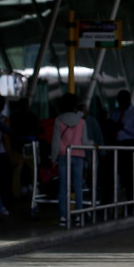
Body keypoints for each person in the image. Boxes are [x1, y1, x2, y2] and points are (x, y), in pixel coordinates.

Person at [52, 93, 88, 227]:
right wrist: (93, 144)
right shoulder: (82, 122)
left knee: (63, 187)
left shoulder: (58, 120)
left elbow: (56, 142)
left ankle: (63, 216)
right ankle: (78, 216)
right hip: (78, 156)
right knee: (78, 186)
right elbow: (84, 141)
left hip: (63, 156)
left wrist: (54, 158)